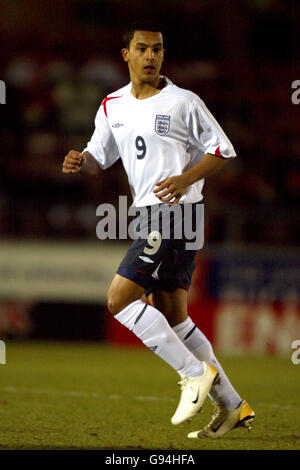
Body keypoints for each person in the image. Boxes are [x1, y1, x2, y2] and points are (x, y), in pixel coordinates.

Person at [62, 22, 255, 439]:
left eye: (158, 50)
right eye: (143, 49)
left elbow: (223, 149)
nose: (151, 56)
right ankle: (234, 407)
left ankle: (192, 374)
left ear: (163, 56)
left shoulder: (184, 101)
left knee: (119, 299)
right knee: (174, 315)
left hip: (175, 212)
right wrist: (82, 159)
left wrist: (186, 179)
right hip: (152, 214)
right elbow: (101, 154)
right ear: (126, 56)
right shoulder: (112, 105)